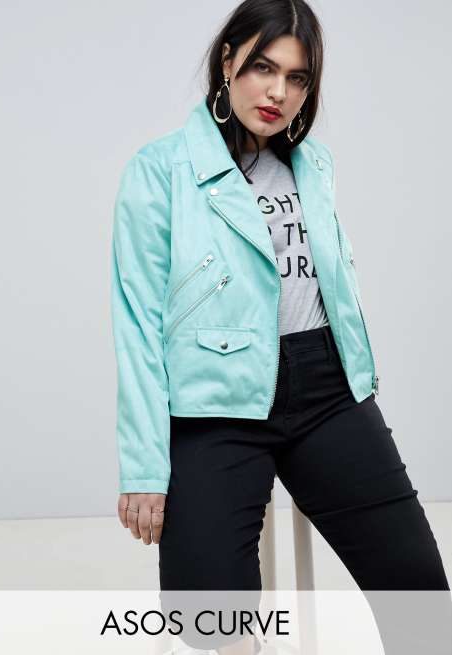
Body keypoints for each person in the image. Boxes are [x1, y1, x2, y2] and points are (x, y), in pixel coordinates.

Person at [110, 1, 451, 652]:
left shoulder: (312, 164)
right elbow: (137, 322)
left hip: (326, 391)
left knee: (419, 597)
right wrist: (144, 467)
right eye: (263, 68)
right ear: (227, 61)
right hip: (215, 403)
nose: (278, 92)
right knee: (206, 615)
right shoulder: (160, 170)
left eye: (296, 78)